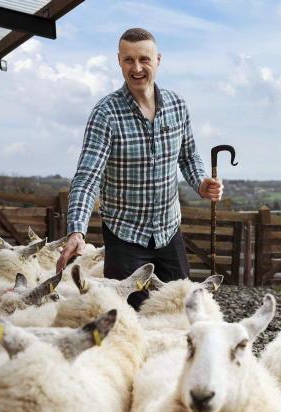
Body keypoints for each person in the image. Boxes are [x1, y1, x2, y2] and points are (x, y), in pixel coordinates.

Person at [56, 28, 222, 309]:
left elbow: (188, 155)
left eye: (144, 59)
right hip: (125, 236)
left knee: (179, 309)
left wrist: (200, 182)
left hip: (169, 231)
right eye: (128, 60)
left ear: (157, 60)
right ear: (119, 61)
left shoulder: (178, 106)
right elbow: (87, 178)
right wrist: (77, 231)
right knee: (127, 316)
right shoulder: (105, 113)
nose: (136, 68)